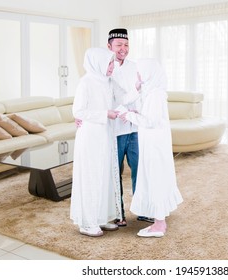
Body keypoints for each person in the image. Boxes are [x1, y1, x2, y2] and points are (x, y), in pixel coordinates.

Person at [119, 58, 183, 237]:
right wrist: (135, 113)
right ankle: (158, 221)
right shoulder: (154, 92)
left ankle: (159, 225)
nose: (138, 75)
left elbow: (151, 121)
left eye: (140, 72)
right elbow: (151, 116)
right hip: (154, 142)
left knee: (155, 179)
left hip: (154, 145)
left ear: (148, 72)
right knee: (155, 178)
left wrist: (129, 115)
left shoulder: (155, 95)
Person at [70, 47, 121, 237]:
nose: (111, 66)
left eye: (111, 63)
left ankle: (102, 216)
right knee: (91, 176)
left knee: (104, 174)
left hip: (105, 134)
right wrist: (105, 114)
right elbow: (79, 111)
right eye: (108, 63)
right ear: (97, 63)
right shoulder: (86, 82)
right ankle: (87, 222)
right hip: (90, 136)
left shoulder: (107, 81)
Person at [107, 28, 153, 226]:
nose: (123, 49)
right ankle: (118, 213)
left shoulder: (135, 66)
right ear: (109, 46)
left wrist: (137, 113)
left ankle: (142, 210)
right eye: (119, 45)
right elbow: (110, 98)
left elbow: (142, 93)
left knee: (139, 169)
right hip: (115, 129)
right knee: (115, 173)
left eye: (126, 45)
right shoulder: (105, 68)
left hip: (134, 128)